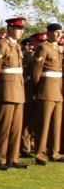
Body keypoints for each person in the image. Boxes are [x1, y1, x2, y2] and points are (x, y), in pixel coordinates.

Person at [0, 17, 28, 171]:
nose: (21, 31)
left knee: (16, 128)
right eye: (19, 28)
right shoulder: (2, 45)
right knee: (4, 127)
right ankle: (0, 159)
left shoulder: (17, 46)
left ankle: (13, 158)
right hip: (6, 90)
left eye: (22, 29)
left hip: (18, 90)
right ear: (10, 28)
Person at [30, 24, 64, 165]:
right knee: (43, 124)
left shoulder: (56, 48)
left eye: (60, 32)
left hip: (58, 91)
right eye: (56, 32)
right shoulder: (43, 48)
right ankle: (40, 154)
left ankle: (54, 153)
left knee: (56, 124)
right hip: (46, 89)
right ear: (48, 33)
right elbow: (36, 72)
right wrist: (38, 89)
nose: (58, 35)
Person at [20, 36, 39, 158]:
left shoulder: (35, 56)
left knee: (34, 121)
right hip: (28, 91)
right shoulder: (27, 57)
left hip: (37, 91)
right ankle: (25, 147)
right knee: (27, 121)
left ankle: (31, 145)